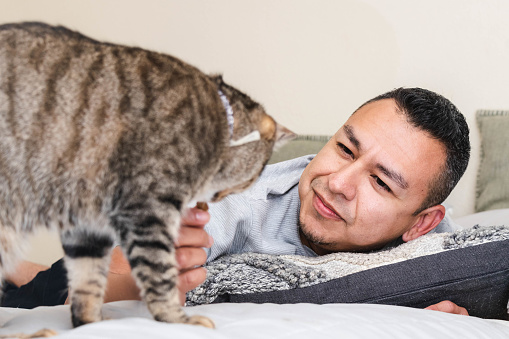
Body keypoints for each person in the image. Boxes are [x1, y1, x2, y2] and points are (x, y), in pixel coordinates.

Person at [3, 87, 471, 316]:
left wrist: (456, 316)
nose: (337, 183)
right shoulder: (241, 197)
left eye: (381, 183)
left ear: (422, 223)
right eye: (345, 149)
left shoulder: (442, 251)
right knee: (38, 289)